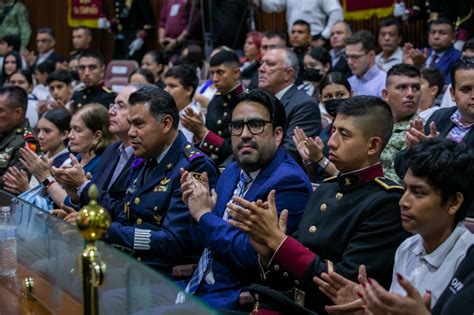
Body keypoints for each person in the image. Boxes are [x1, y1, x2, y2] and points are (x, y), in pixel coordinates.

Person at [227, 95, 410, 314]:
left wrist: (278, 240)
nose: (331, 142)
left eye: (344, 134)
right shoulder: (326, 188)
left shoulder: (386, 202)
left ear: (372, 146)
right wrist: (267, 251)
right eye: (333, 130)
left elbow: (343, 285)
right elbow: (285, 274)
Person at [176, 89, 312, 310]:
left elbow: (250, 256)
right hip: (196, 284)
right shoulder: (232, 171)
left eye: (256, 125)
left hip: (235, 299)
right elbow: (204, 240)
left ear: (277, 134)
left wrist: (204, 214)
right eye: (237, 126)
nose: (245, 134)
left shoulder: (288, 182)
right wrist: (193, 206)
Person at [315, 137, 474, 314]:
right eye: (405, 189)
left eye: (418, 192)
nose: (403, 202)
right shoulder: (407, 247)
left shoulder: (467, 262)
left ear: (454, 202)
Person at [103, 85, 219, 271]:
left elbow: (173, 241)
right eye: (130, 123)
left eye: (139, 124)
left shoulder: (194, 166)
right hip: (132, 262)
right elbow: (127, 217)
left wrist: (108, 231)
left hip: (163, 273)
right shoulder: (146, 155)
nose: (131, 132)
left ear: (166, 124)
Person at [54, 84, 143, 220]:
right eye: (112, 106)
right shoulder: (112, 150)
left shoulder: (144, 155)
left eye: (120, 106)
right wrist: (75, 203)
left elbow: (126, 214)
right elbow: (96, 203)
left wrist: (82, 185)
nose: (111, 112)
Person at [19, 103, 114, 211]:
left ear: (96, 136)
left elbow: (72, 205)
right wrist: (50, 176)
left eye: (77, 130)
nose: (70, 136)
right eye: (71, 129)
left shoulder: (101, 164)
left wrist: (45, 177)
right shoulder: (75, 158)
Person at [258, 47, 321, 163]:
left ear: (288, 73)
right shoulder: (260, 101)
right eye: (261, 63)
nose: (261, 69)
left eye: (270, 64)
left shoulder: (304, 104)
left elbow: (290, 153)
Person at [181, 50, 243, 166]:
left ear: (236, 73)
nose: (214, 78)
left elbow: (238, 151)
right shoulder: (215, 101)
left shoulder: (246, 102)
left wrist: (203, 132)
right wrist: (198, 133)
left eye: (220, 72)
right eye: (212, 73)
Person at [293, 72, 352, 182]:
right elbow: (314, 177)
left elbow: (348, 178)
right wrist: (309, 161)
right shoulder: (324, 131)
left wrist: (320, 159)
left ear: (351, 94)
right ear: (320, 99)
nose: (335, 99)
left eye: (340, 94)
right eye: (328, 96)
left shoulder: (356, 130)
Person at [2, 108, 71, 196]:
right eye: (39, 130)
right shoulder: (41, 157)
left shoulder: (68, 164)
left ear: (64, 135)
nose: (40, 136)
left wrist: (26, 189)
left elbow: (57, 204)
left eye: (47, 131)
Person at [380, 64, 421, 184]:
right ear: (385, 95)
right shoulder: (373, 122)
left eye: (416, 87)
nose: (410, 94)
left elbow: (394, 183)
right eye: (402, 87)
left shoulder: (420, 131)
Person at [0, 85, 39, 189]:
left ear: (18, 112)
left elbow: (10, 182)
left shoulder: (28, 142)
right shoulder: (5, 130)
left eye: (0, 110)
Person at [403, 18, 461, 85]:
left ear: (453, 37)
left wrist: (420, 67)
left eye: (442, 33)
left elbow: (447, 87)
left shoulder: (458, 57)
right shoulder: (420, 53)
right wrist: (407, 66)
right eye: (433, 32)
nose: (436, 37)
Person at [259, 0, 343, 46]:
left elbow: (336, 12)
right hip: (293, 40)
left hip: (315, 40)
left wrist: (324, 37)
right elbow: (273, 5)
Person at [164, 65, 202, 142]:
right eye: (165, 85)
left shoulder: (194, 116)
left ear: (188, 90)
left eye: (172, 86)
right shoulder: (167, 110)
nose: (165, 90)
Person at [346, 30, 387, 98]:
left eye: (355, 57)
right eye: (347, 57)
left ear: (371, 55)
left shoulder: (385, 83)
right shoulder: (349, 82)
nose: (349, 62)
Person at [289, 20, 312, 85]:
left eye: (300, 32)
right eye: (293, 32)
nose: (295, 35)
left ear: (309, 37)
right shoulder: (285, 54)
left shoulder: (314, 56)